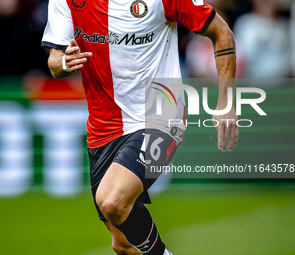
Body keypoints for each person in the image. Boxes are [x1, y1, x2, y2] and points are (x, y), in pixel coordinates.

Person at [42, 0, 238, 254]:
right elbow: (54, 62)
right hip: (103, 127)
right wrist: (65, 62)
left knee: (112, 201)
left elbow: (222, 33)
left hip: (161, 112)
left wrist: (226, 103)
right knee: (123, 245)